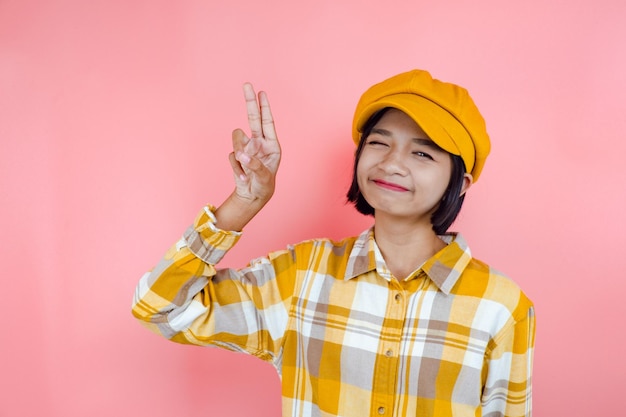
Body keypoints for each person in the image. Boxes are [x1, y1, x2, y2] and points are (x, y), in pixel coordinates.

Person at [132, 69, 535, 417]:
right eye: (379, 142)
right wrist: (244, 203)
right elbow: (161, 308)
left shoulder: (501, 306)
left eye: (423, 154)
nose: (392, 162)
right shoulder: (303, 276)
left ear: (459, 183)